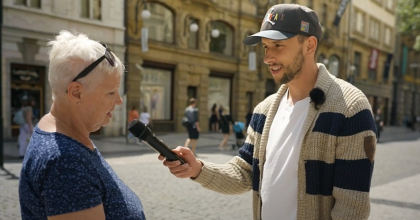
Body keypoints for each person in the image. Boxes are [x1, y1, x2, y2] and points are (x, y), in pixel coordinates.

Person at [159, 4, 376, 220]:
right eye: (265, 47)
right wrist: (197, 168)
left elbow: (351, 208)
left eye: (277, 45)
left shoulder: (350, 108)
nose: (267, 57)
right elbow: (245, 173)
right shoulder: (264, 110)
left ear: (309, 45)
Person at [19, 30, 146, 219]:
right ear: (76, 93)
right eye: (111, 92)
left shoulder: (69, 135)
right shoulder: (65, 162)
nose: (119, 100)